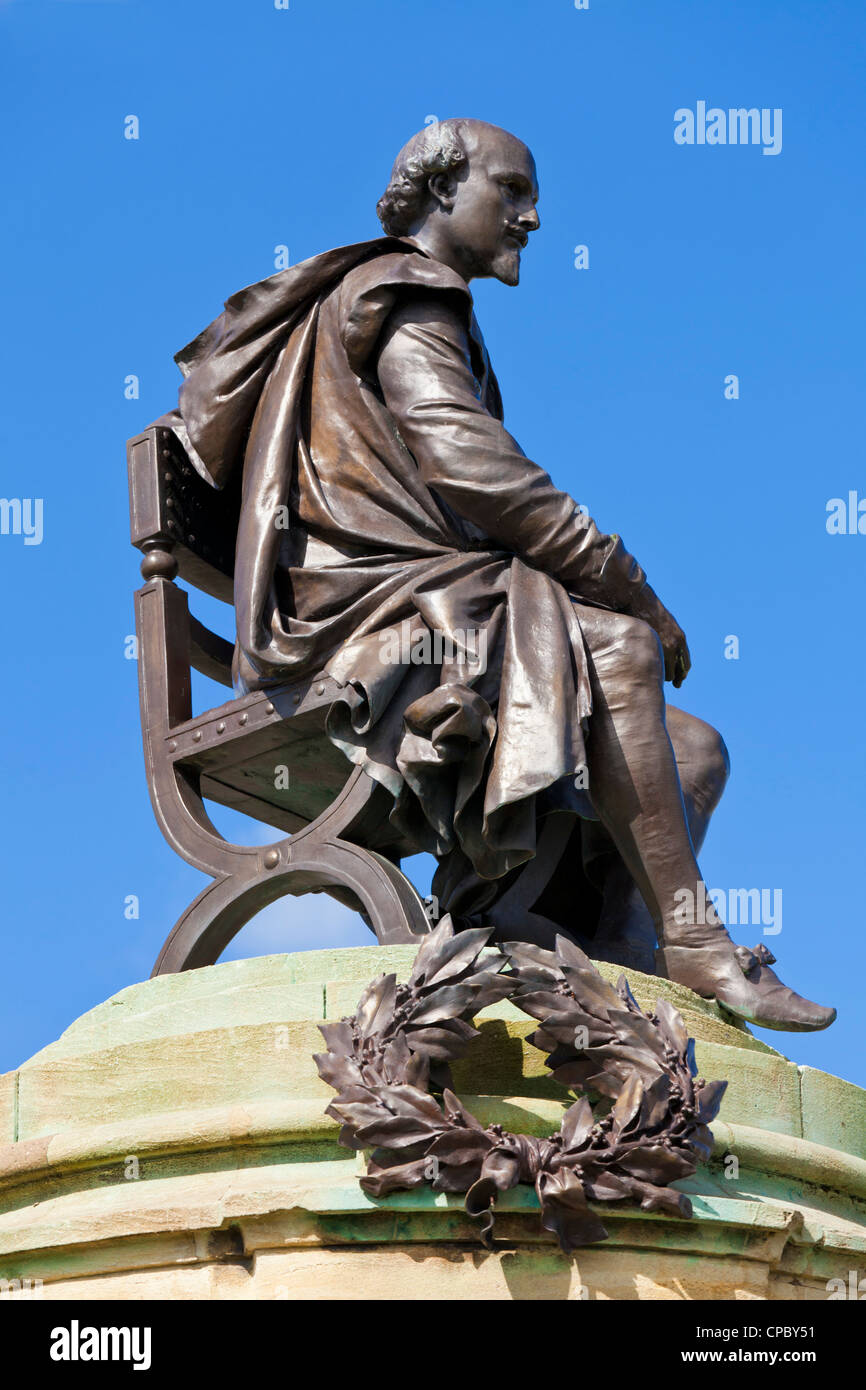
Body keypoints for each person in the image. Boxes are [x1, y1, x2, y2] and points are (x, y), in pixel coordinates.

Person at [158, 118, 834, 1033]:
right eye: (512, 190)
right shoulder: (405, 293)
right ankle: (697, 941)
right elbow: (472, 469)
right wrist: (628, 586)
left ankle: (626, 969)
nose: (534, 215)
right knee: (621, 644)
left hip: (419, 610)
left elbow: (465, 496)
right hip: (361, 626)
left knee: (697, 751)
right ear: (442, 193)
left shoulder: (407, 302)